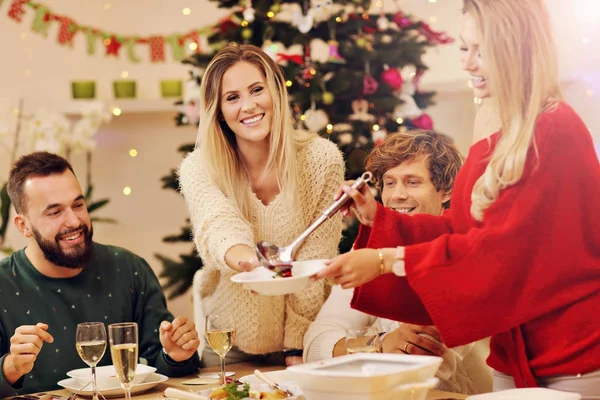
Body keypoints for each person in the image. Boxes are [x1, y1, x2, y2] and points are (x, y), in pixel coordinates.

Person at [316, 0, 600, 396]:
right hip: (511, 358)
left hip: (571, 360)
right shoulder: (496, 138)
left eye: (481, 50)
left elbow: (499, 249)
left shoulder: (555, 130)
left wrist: (384, 259)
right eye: (463, 48)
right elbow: (461, 230)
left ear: (517, 49)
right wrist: (378, 220)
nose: (468, 63)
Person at [178, 43, 344, 367]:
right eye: (232, 97)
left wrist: (298, 345)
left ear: (276, 92)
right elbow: (217, 225)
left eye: (257, 90)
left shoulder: (322, 161)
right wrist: (250, 264)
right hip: (228, 343)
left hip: (308, 339)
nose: (249, 106)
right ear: (219, 111)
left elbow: (316, 258)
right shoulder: (200, 166)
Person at [304, 131, 491, 394]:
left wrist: (353, 348)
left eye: (412, 182)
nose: (396, 196)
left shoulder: (458, 254)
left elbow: (414, 371)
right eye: (389, 183)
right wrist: (380, 343)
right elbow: (315, 343)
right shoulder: (372, 251)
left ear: (446, 190)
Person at [0, 152, 201, 396]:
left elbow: (164, 369)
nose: (73, 221)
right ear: (24, 226)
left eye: (78, 205)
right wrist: (10, 367)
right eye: (54, 212)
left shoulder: (129, 268)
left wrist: (176, 355)